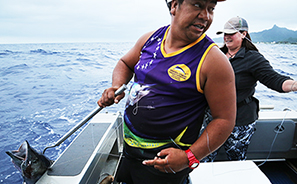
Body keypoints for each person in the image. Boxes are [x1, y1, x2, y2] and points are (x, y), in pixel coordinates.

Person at [97, 0, 236, 183]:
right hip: (129, 151)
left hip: (165, 165)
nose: (205, 15)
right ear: (174, 6)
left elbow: (224, 120)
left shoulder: (214, 61)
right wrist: (116, 86)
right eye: (197, 5)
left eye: (211, 8)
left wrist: (189, 158)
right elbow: (124, 63)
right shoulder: (150, 39)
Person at [201, 16, 297, 162]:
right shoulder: (216, 54)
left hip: (240, 119)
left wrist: (294, 85)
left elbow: (275, 80)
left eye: (230, 33)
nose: (226, 37)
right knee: (204, 158)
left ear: (243, 34)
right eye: (224, 33)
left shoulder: (253, 58)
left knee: (236, 160)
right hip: (212, 117)